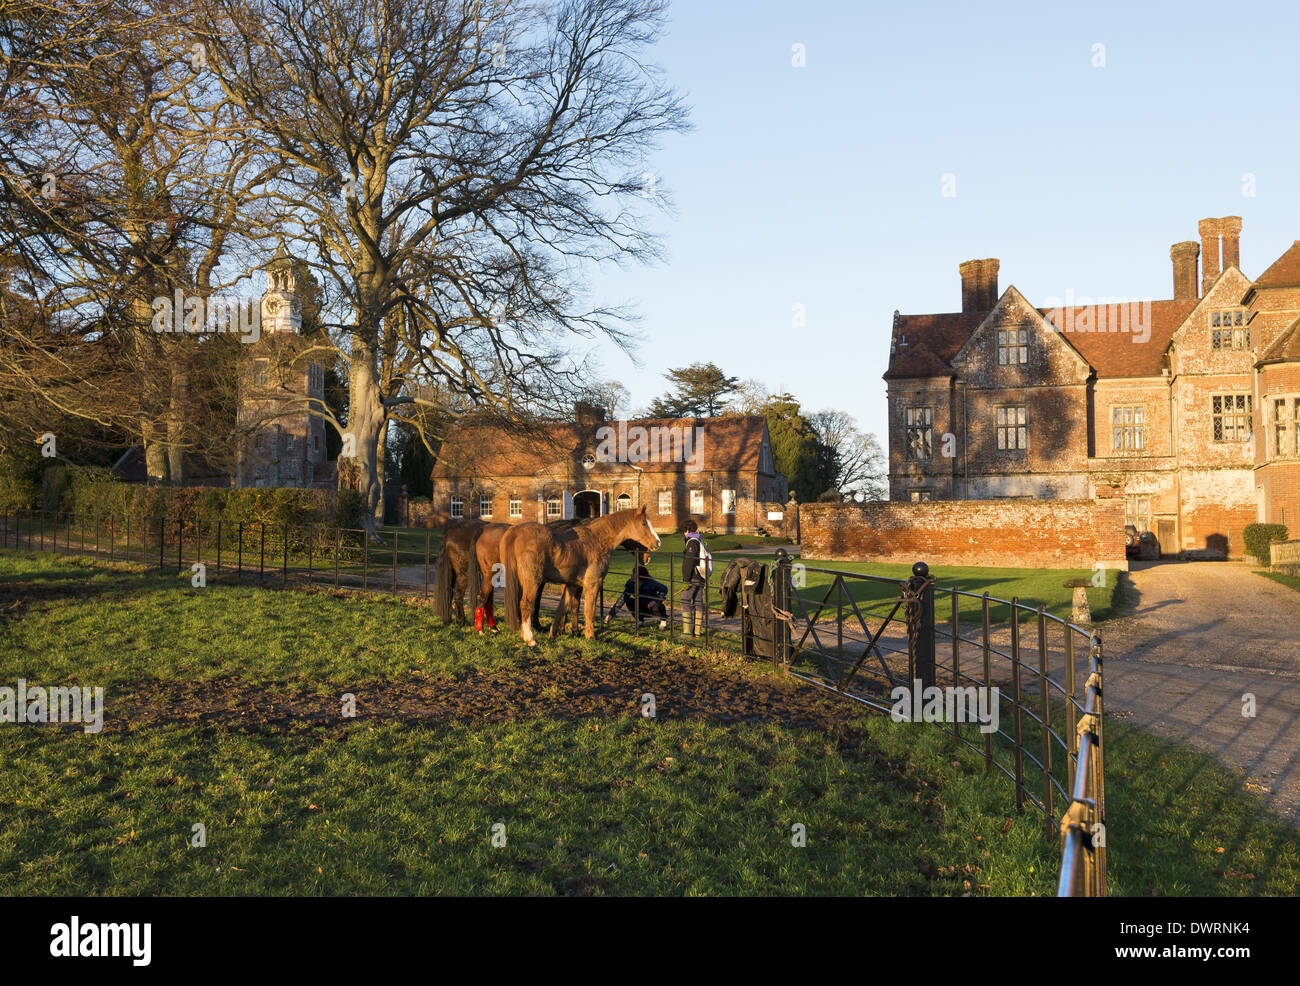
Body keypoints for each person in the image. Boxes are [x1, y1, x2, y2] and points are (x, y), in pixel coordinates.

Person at [604, 548, 668, 628]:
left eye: (635, 575)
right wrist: (611, 614)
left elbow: (664, 589)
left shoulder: (651, 582)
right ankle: (640, 621)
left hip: (652, 607)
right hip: (641, 607)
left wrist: (655, 600)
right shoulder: (631, 584)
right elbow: (622, 599)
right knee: (629, 601)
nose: (633, 576)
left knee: (659, 605)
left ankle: (663, 621)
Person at [680, 519, 707, 636]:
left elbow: (689, 563)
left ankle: (687, 632)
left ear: (686, 530)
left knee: (685, 600)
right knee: (698, 602)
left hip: (693, 577)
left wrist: (686, 580)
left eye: (683, 531)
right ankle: (697, 632)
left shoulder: (692, 542)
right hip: (701, 577)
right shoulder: (699, 540)